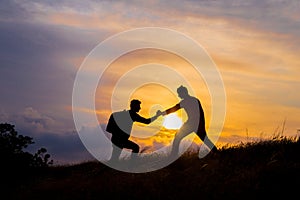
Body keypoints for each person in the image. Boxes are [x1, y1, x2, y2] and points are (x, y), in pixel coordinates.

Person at [161, 85, 218, 159]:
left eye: (179, 93)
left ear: (183, 93)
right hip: (196, 123)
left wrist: (162, 113)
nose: (178, 95)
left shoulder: (186, 101)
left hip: (192, 124)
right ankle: (218, 153)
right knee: (205, 139)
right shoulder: (195, 100)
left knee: (177, 137)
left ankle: (173, 156)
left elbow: (174, 109)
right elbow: (201, 114)